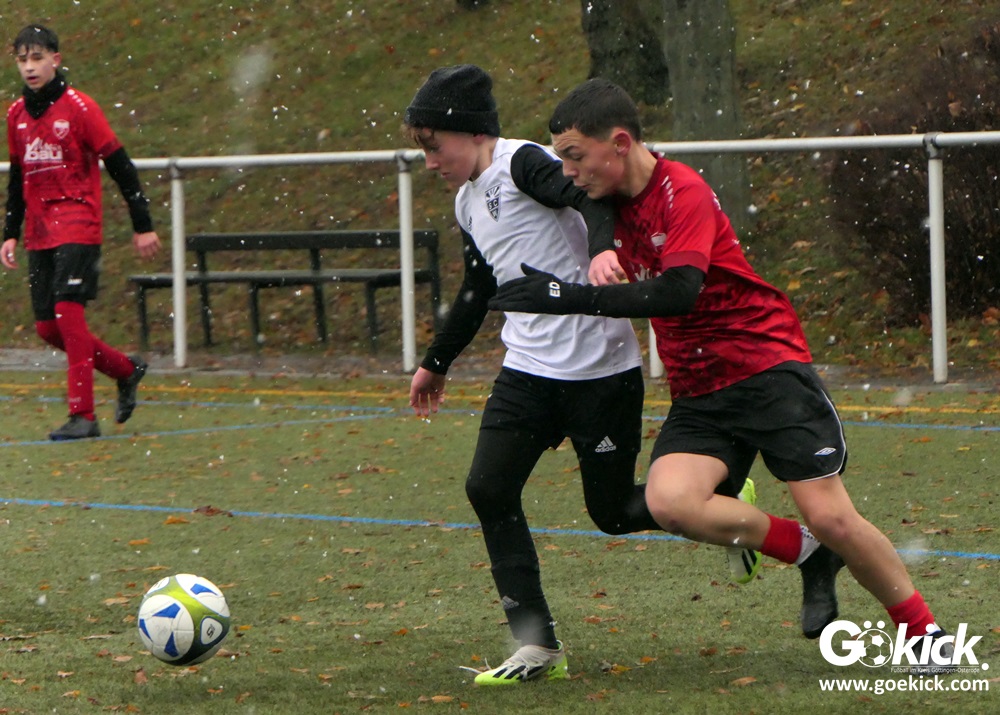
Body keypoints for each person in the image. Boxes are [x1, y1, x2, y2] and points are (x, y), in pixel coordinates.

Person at [488, 77, 954, 669]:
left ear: (620, 143)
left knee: (832, 515)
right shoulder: (605, 194)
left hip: (765, 369)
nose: (568, 172)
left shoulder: (681, 190)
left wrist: (568, 296)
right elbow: (591, 212)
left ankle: (924, 633)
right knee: (671, 502)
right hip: (700, 389)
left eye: (576, 156)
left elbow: (679, 291)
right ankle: (808, 551)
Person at [403, 65, 830, 686]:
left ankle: (779, 535)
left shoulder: (523, 164)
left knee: (613, 511)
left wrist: (602, 250)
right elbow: (478, 287)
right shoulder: (468, 201)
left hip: (600, 372)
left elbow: (589, 196)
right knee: (488, 489)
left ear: (470, 132)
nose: (429, 162)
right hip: (525, 372)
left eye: (433, 146)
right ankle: (537, 646)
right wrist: (436, 361)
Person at [3, 24, 160, 440]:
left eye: (38, 58)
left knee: (68, 314)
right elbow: (17, 178)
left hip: (78, 223)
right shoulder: (16, 114)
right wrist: (10, 232)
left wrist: (142, 225)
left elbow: (120, 165)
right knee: (47, 328)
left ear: (55, 60)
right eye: (23, 59)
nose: (30, 67)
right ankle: (125, 370)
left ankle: (83, 415)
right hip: (40, 230)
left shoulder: (79, 107)